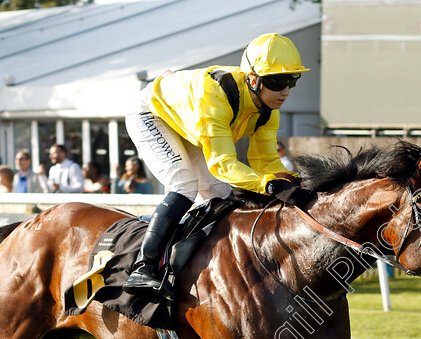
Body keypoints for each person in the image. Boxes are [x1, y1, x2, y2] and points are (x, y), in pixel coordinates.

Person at [122, 32, 311, 294]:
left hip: (185, 124)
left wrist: (289, 181)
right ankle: (145, 266)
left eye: (293, 80)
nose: (286, 90)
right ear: (253, 80)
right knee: (184, 184)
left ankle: (192, 269)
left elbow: (265, 162)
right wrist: (267, 185)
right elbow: (222, 163)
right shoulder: (216, 95)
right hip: (151, 114)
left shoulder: (269, 110)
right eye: (277, 81)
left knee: (219, 195)